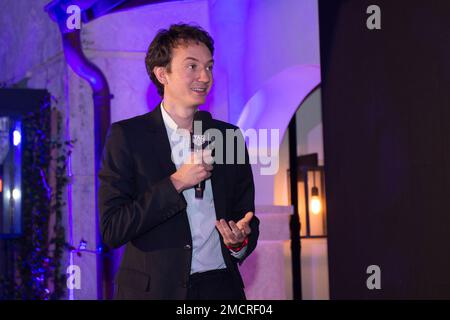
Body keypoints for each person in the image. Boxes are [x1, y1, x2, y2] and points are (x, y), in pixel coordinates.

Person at [98, 23, 259, 300]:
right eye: (192, 66)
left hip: (220, 289)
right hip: (154, 290)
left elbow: (246, 217)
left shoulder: (228, 136)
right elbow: (113, 229)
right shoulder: (127, 136)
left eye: (209, 67)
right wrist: (176, 182)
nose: (204, 76)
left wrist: (239, 240)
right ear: (163, 74)